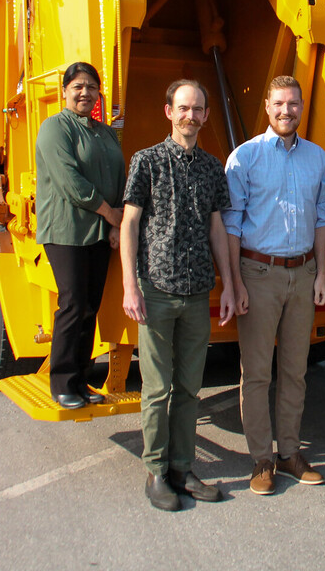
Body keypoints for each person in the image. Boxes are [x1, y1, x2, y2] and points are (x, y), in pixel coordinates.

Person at [120, 80, 235, 512]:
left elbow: (217, 229)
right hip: (156, 291)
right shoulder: (146, 162)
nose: (191, 115)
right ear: (169, 111)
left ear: (206, 115)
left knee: (189, 388)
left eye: (198, 109)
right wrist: (131, 285)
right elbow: (130, 224)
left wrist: (226, 285)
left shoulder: (211, 167)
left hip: (197, 292)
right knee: (156, 389)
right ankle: (156, 472)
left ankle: (183, 469)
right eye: (183, 107)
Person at [223, 75, 325, 495]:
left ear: (302, 107)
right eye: (279, 104)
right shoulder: (245, 158)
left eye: (293, 104)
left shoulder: (317, 158)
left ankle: (289, 453)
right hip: (259, 273)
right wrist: (235, 282)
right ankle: (260, 461)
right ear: (267, 107)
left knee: (295, 370)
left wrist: (321, 273)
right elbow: (232, 223)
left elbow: (323, 216)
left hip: (303, 273)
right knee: (255, 373)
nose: (286, 111)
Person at [34, 62, 125, 410]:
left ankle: (82, 380)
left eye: (91, 86)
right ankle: (62, 383)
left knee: (90, 306)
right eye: (77, 86)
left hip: (100, 231)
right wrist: (109, 213)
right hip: (66, 230)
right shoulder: (54, 129)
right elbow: (70, 181)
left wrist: (116, 223)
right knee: (72, 305)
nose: (84, 92)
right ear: (65, 91)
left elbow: (118, 177)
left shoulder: (105, 133)